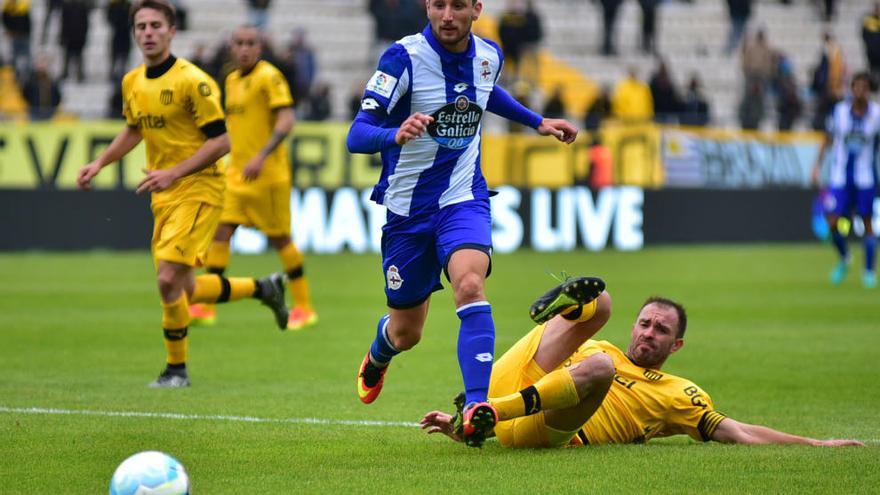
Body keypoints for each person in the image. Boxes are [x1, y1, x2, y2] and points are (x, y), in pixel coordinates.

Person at [346, 0, 577, 447]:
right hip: (407, 211)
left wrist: (537, 121)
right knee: (406, 332)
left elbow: (487, 93)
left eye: (457, 5)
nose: (446, 15)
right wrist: (392, 133)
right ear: (426, 7)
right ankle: (380, 349)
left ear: (476, 8)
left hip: (462, 197)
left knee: (469, 285)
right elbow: (358, 133)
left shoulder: (489, 55)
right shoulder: (403, 58)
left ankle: (476, 406)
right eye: (438, 4)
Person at [76, 0, 290, 388]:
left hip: (200, 187)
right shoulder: (132, 82)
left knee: (166, 280)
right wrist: (100, 163)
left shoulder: (194, 81)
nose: (148, 33)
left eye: (156, 25)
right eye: (141, 27)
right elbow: (134, 129)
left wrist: (173, 172)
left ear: (172, 31)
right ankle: (264, 287)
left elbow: (222, 141)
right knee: (184, 286)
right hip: (165, 192)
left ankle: (176, 371)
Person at [421, 276, 865, 448]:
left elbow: (739, 431)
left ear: (676, 347)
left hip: (552, 432)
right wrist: (465, 433)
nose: (649, 333)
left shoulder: (677, 394)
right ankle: (477, 412)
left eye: (661, 331)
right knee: (603, 303)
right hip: (516, 392)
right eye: (646, 324)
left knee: (599, 370)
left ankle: (486, 410)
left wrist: (816, 445)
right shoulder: (604, 347)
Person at [189, 25, 318, 330]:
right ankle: (205, 306)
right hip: (237, 175)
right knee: (221, 233)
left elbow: (287, 120)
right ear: (231, 47)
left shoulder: (269, 77)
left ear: (259, 48)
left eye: (251, 43)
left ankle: (304, 306)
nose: (245, 49)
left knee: (280, 239)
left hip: (268, 176)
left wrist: (261, 155)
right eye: (240, 43)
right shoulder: (231, 79)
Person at [811, 72, 879, 289]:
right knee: (832, 221)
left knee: (867, 223)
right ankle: (845, 257)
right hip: (840, 176)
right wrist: (817, 166)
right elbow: (828, 139)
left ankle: (868, 271)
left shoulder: (876, 115)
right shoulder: (840, 112)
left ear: (870, 90)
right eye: (856, 86)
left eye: (864, 87)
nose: (860, 90)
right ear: (851, 88)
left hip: (865, 177)